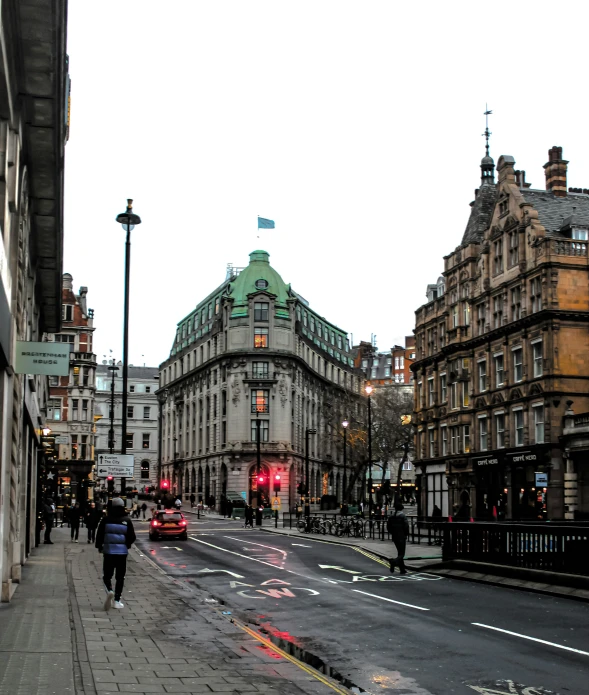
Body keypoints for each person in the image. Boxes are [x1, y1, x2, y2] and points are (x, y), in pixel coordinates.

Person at [95, 497, 136, 611]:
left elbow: (99, 535)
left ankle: (109, 590)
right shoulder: (127, 521)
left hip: (108, 551)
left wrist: (99, 546)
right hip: (122, 553)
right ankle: (117, 601)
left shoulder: (106, 520)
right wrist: (126, 545)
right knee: (120, 577)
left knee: (107, 575)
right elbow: (132, 537)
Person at [387, 500, 409, 574]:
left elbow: (388, 527)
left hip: (395, 537)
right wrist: (406, 534)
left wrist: (392, 533)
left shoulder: (391, 517)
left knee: (399, 553)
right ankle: (393, 562)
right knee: (402, 554)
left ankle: (402, 570)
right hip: (401, 537)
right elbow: (406, 526)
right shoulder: (403, 516)